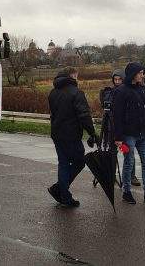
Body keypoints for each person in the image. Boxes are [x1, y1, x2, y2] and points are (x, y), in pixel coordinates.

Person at [113, 62, 145, 205]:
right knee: (129, 163)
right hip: (128, 135)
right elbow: (117, 115)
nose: (143, 75)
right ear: (133, 74)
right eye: (140, 73)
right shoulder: (121, 91)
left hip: (143, 134)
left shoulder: (142, 89)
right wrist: (118, 137)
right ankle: (126, 192)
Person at [48, 67, 99, 208]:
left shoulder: (53, 93)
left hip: (57, 134)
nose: (77, 78)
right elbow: (84, 115)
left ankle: (62, 193)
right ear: (71, 76)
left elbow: (53, 114)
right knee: (79, 162)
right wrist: (92, 133)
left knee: (63, 163)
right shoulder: (76, 93)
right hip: (71, 135)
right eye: (76, 76)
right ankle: (61, 191)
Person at [99, 69, 140, 186]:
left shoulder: (127, 91)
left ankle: (132, 176)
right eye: (115, 79)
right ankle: (110, 174)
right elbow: (106, 108)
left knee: (128, 152)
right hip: (110, 127)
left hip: (124, 129)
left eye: (119, 79)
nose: (117, 82)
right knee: (111, 152)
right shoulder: (109, 92)